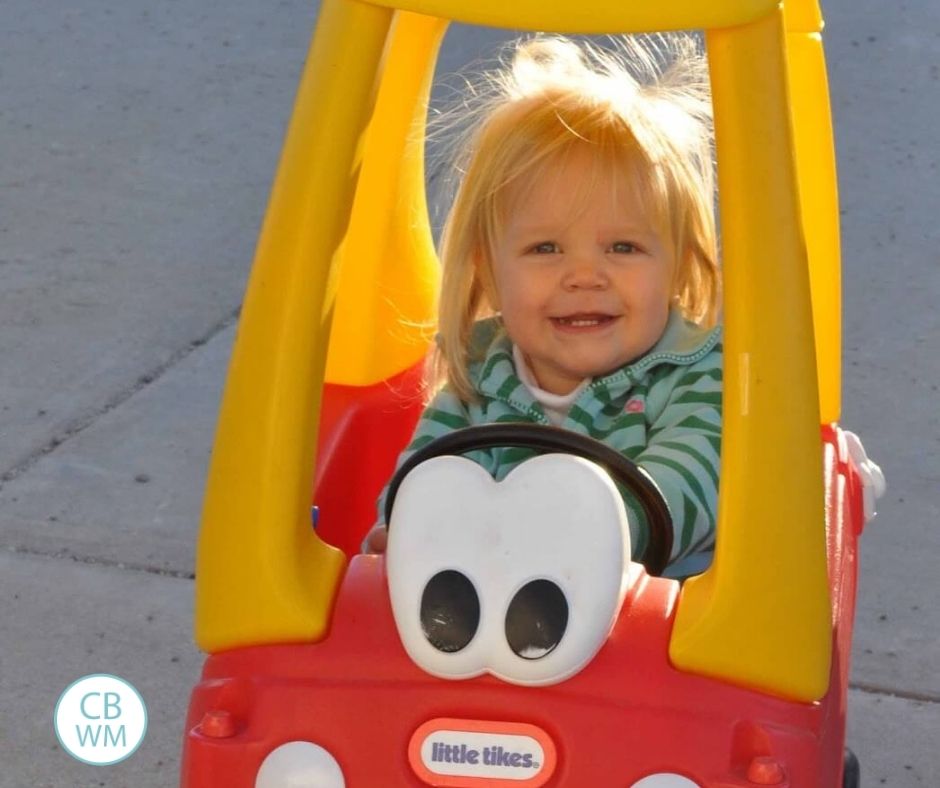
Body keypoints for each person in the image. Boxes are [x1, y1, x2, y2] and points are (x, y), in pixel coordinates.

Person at [364, 34, 721, 575]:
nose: (583, 276)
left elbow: (688, 486)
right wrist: (412, 526)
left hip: (659, 633)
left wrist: (586, 539)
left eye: (622, 247)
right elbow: (424, 473)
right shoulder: (483, 374)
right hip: (494, 618)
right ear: (488, 270)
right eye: (545, 248)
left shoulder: (695, 374)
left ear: (677, 264)